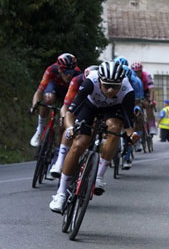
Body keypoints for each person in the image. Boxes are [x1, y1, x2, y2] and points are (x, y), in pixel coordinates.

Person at [49, 61, 139, 212]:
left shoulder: (127, 89)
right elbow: (71, 111)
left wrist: (132, 134)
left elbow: (128, 121)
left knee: (115, 128)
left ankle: (98, 177)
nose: (110, 91)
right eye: (107, 86)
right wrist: (70, 128)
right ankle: (61, 193)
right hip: (89, 106)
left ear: (121, 83)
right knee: (79, 143)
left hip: (111, 109)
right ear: (100, 81)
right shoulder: (91, 81)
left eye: (115, 87)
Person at [49, 65, 98, 178]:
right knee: (68, 126)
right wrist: (64, 118)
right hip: (78, 102)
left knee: (94, 125)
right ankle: (59, 162)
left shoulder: (101, 84)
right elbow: (67, 105)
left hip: (94, 105)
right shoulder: (77, 80)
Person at [30, 53, 81, 147]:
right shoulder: (51, 69)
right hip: (55, 87)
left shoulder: (78, 75)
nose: (69, 75)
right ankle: (39, 129)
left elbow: (77, 99)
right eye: (66, 72)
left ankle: (58, 150)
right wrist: (34, 105)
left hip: (69, 93)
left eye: (71, 72)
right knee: (48, 99)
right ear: (59, 69)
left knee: (63, 124)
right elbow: (39, 91)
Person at [131, 61, 157, 135]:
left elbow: (151, 89)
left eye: (139, 72)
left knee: (148, 104)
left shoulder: (147, 75)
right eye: (135, 72)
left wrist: (151, 100)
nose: (137, 74)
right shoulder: (131, 77)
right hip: (136, 93)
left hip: (146, 91)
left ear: (141, 70)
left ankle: (152, 126)